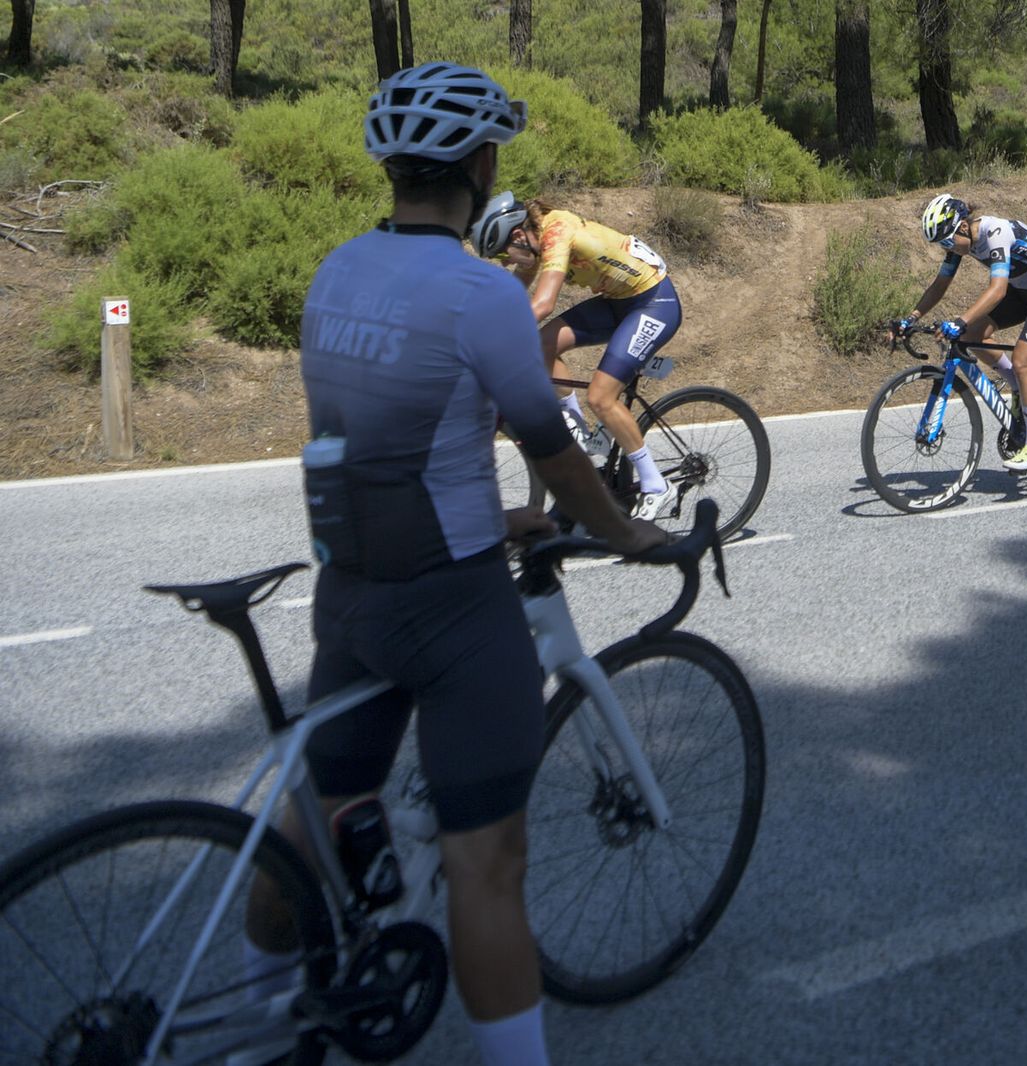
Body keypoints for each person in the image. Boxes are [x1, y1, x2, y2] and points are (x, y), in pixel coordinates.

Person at [243, 62, 664, 1066]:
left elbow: (382, 437)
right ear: (481, 165)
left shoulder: (337, 271)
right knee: (487, 863)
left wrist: (492, 514)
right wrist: (624, 532)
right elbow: (552, 451)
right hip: (451, 607)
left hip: (350, 590)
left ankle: (259, 1027)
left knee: (314, 815)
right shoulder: (480, 293)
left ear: (391, 167)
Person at [469, 192, 684, 520]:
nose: (505, 263)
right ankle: (580, 434)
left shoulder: (556, 232)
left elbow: (543, 305)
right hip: (617, 302)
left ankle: (656, 485)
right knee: (542, 344)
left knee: (601, 397)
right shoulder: (532, 243)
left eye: (502, 253)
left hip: (654, 303)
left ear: (518, 235)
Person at [890, 192, 1027, 472]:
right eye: (942, 244)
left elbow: (998, 290)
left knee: (1023, 359)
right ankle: (1018, 383)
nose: (947, 247)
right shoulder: (960, 243)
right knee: (970, 337)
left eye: (947, 241)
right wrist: (911, 318)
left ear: (964, 226)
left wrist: (961, 320)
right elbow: (940, 285)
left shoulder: (995, 232)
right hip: (1022, 292)